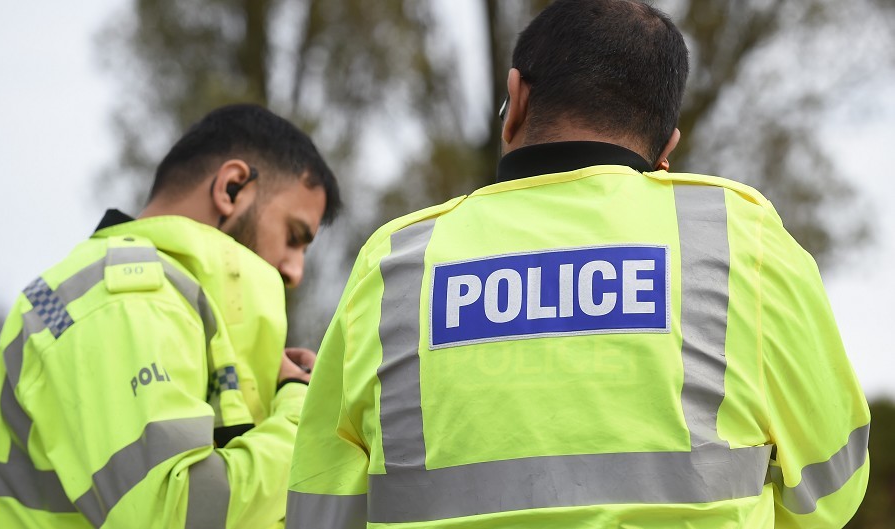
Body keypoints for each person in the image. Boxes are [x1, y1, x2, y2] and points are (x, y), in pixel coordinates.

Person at [285, 1, 870, 527]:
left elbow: (321, 508)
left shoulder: (395, 263)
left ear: (516, 100)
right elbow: (830, 486)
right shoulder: (741, 239)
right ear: (666, 149)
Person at [0, 103, 341, 528]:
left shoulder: (174, 309)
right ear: (232, 187)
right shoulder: (124, 300)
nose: (295, 271)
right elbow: (172, 515)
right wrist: (301, 413)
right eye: (294, 236)